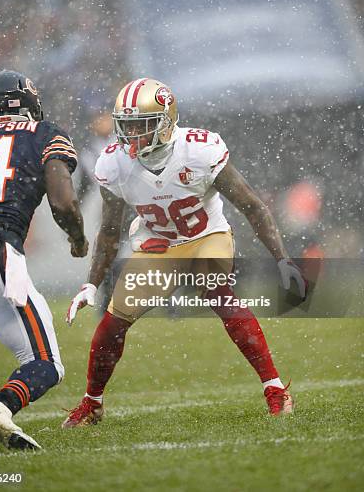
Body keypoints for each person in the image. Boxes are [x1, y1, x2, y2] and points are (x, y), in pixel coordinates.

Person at [63, 77, 307, 428]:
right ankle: (92, 404)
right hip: (159, 245)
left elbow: (253, 207)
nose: (130, 136)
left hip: (207, 235)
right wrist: (90, 284)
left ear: (165, 122)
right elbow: (110, 230)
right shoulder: (113, 163)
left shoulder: (200, 150)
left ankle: (275, 389)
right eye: (125, 126)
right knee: (113, 322)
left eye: (140, 126)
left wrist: (282, 259)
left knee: (219, 294)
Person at [0, 70, 88, 450]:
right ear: (28, 103)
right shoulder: (42, 132)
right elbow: (63, 201)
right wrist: (77, 238)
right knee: (45, 363)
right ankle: (0, 407)